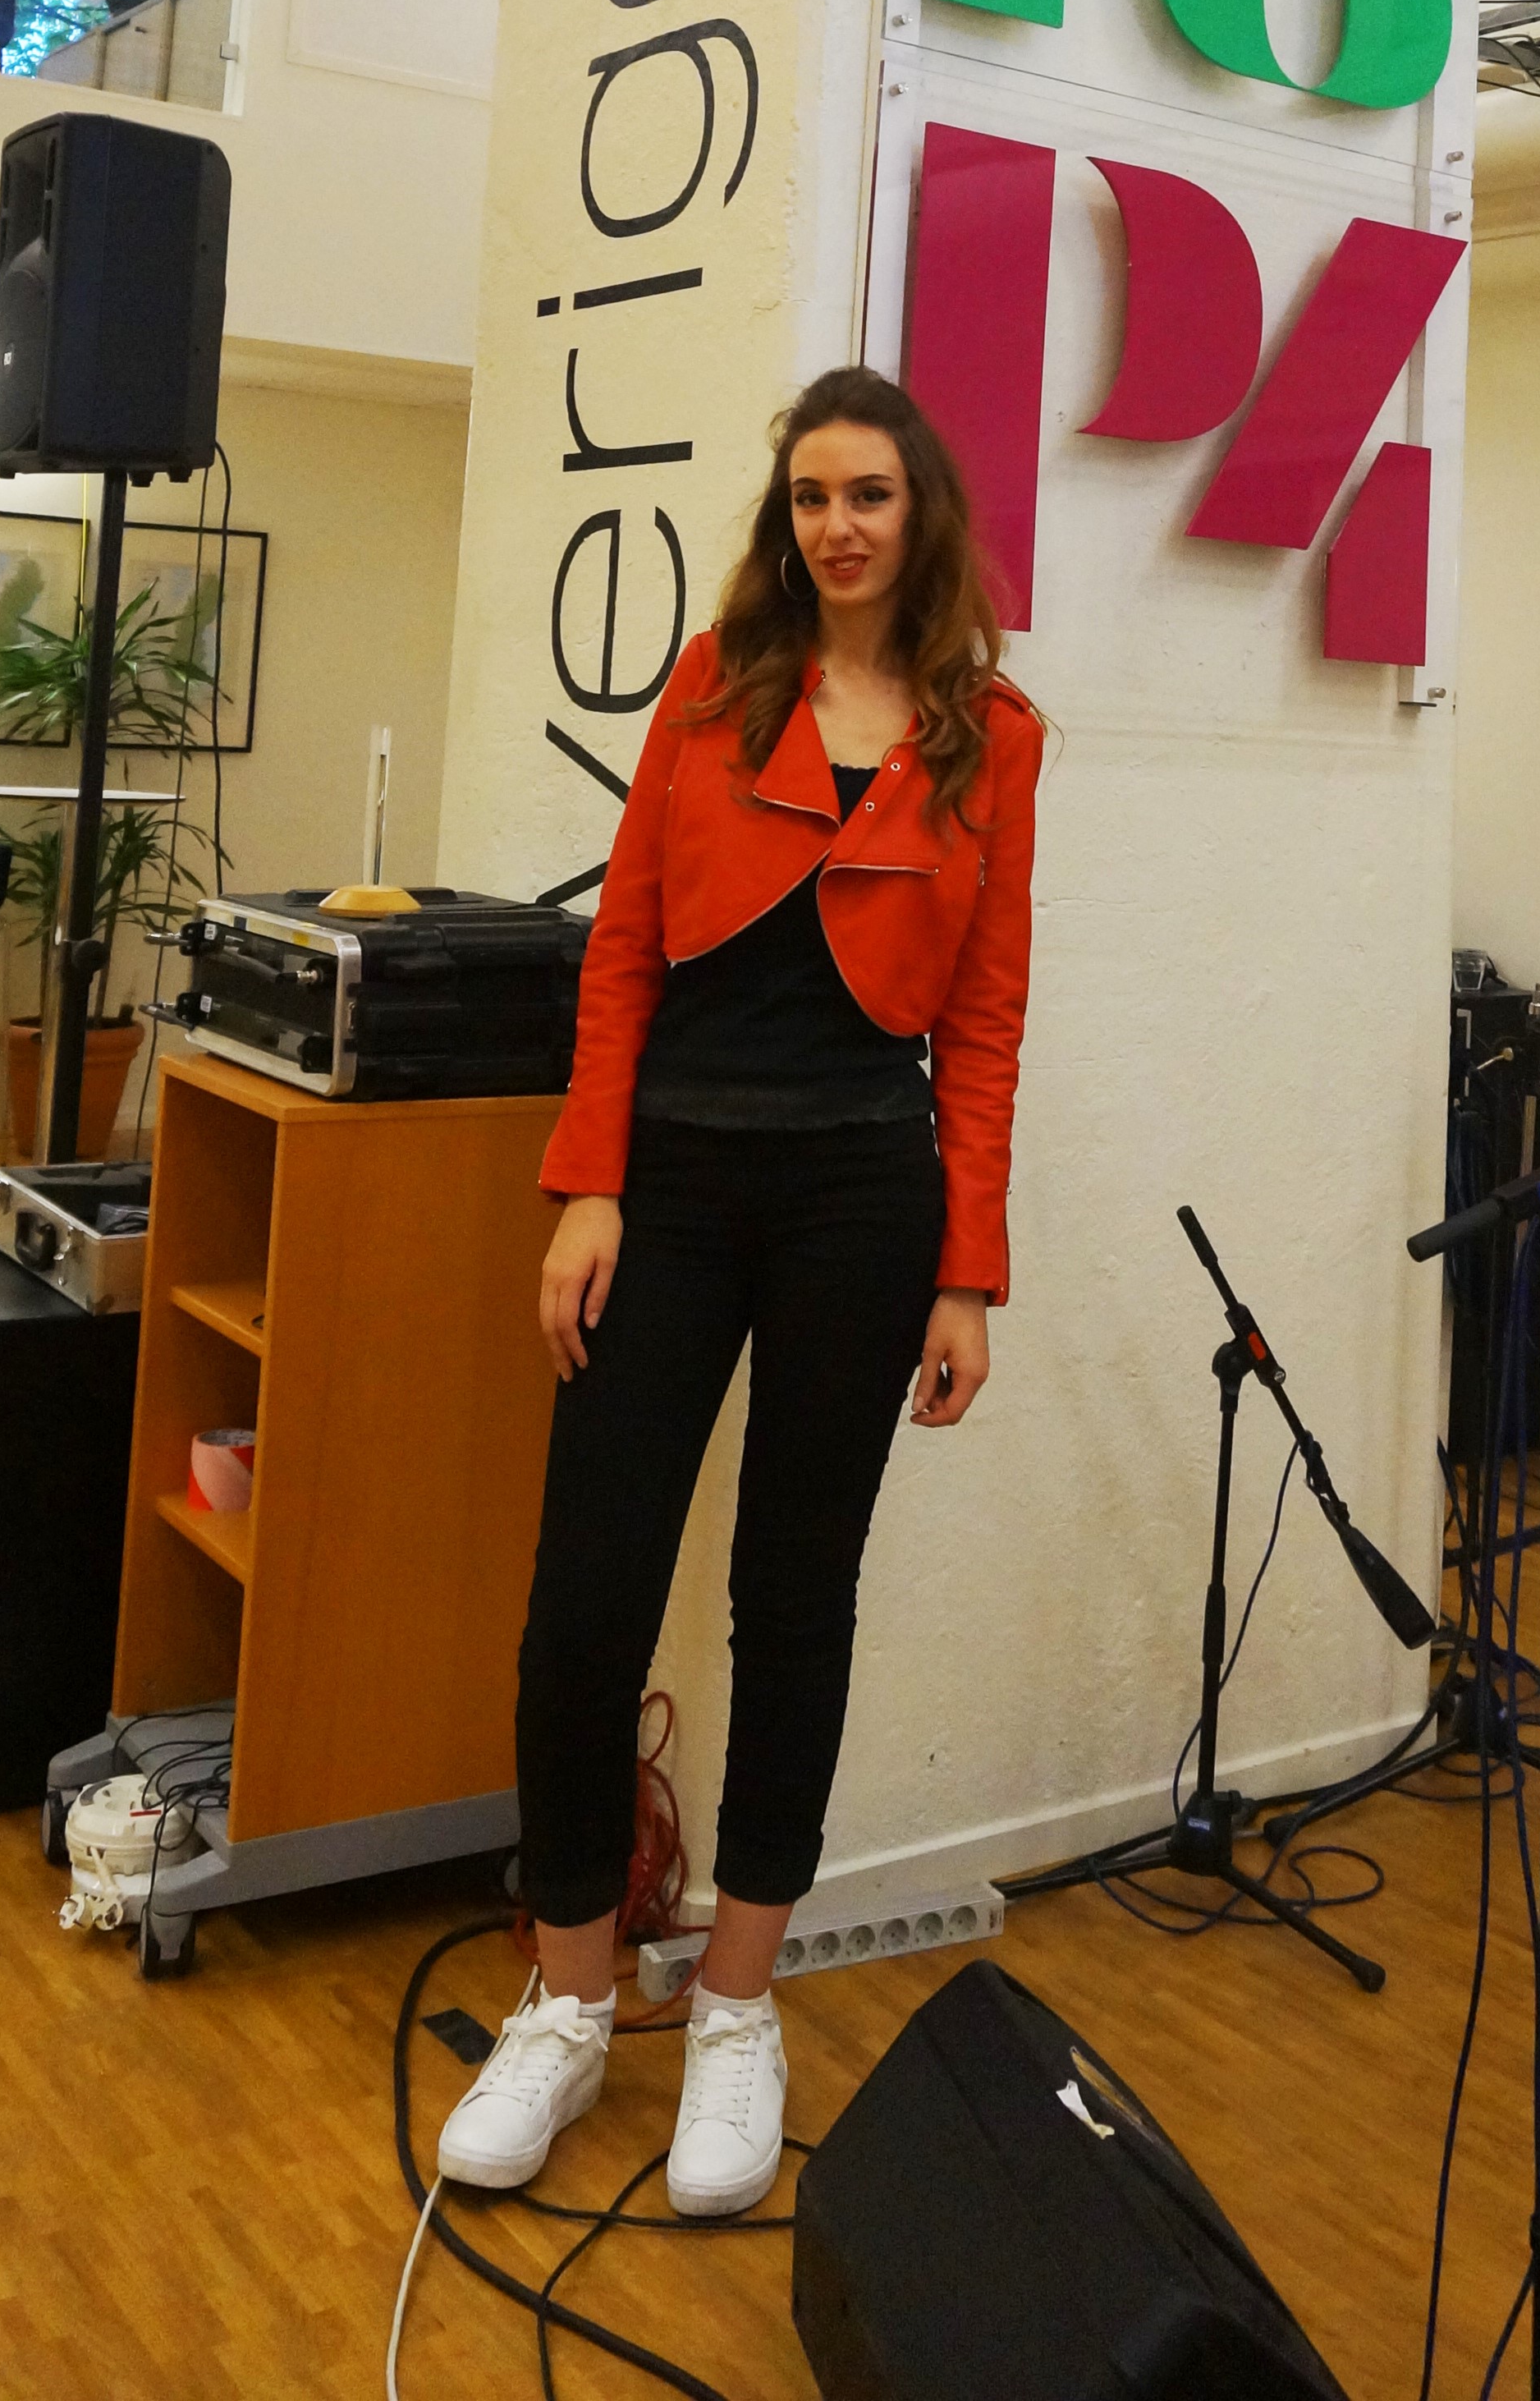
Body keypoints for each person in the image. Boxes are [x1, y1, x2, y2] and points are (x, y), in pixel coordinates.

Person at [437, 367, 1043, 2219]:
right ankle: (567, 1998)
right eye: (810, 497)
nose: (836, 525)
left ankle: (735, 2004)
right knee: (584, 1603)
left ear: (922, 514)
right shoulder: (713, 688)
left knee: (796, 1598)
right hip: (676, 1182)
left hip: (866, 1193)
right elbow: (622, 945)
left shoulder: (995, 735)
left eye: (869, 494)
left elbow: (985, 1018)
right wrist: (587, 1184)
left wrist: (968, 1270)